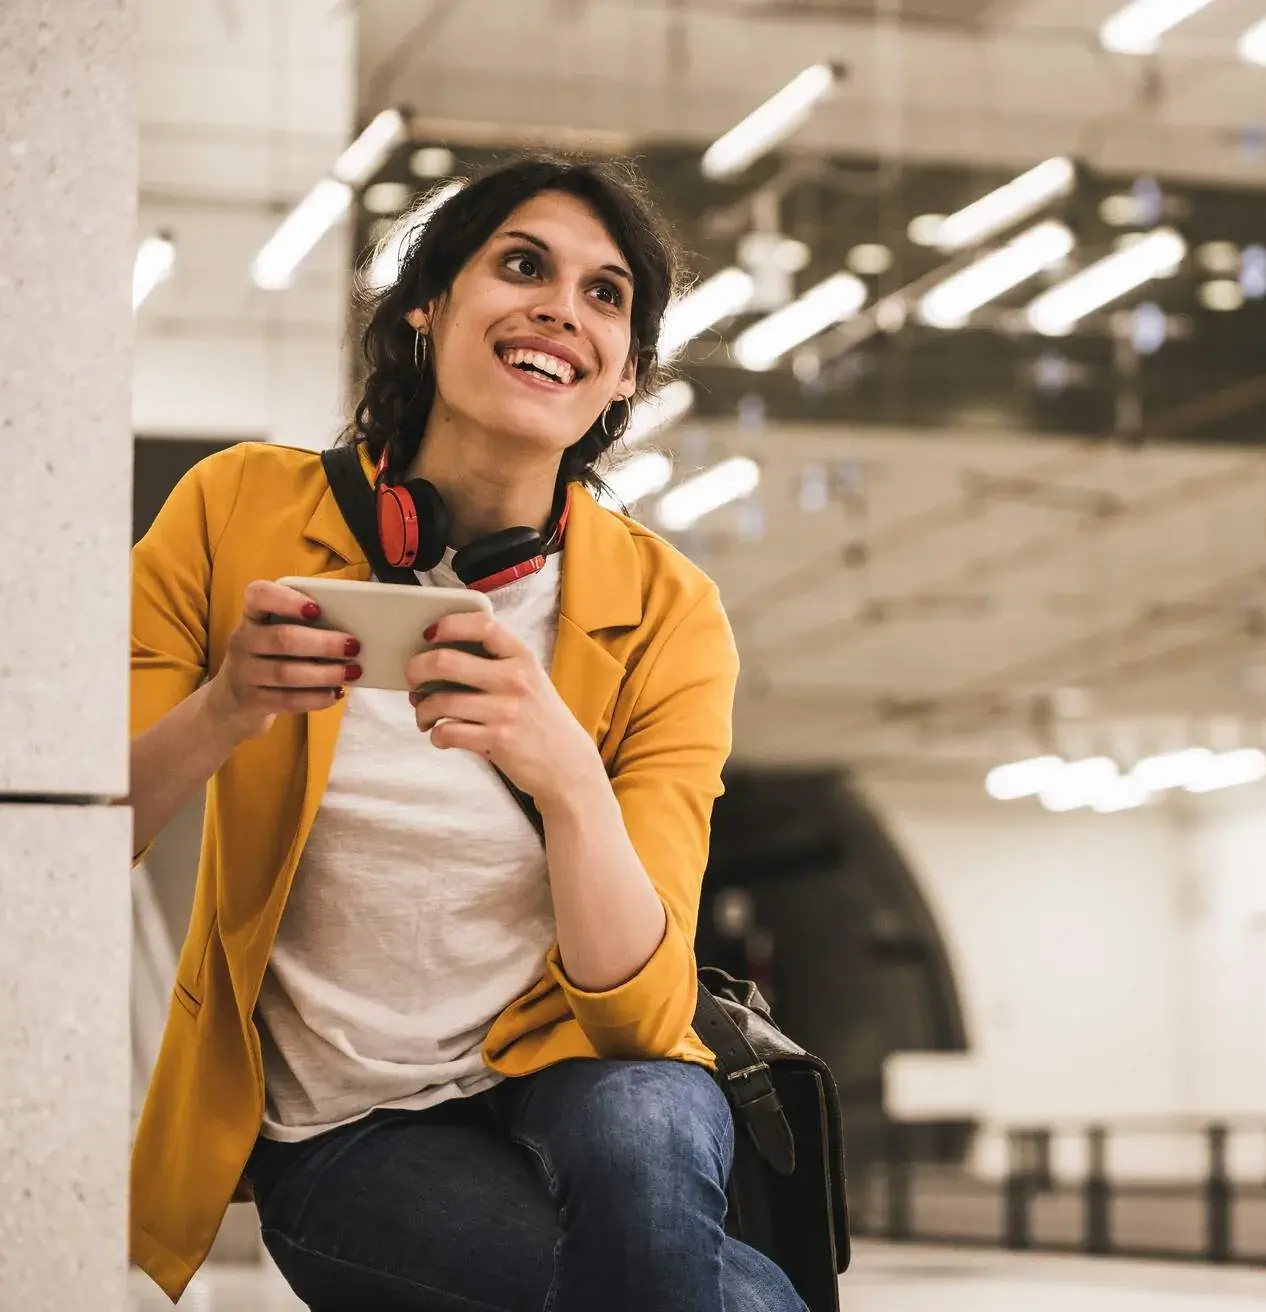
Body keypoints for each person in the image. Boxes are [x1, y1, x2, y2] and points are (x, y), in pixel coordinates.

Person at [127, 157, 804, 1311]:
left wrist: (568, 774)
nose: (562, 308)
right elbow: (69, 832)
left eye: (606, 295)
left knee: (651, 1119)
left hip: (572, 1066)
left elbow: (640, 1015)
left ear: (625, 375)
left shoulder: (666, 609)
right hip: (344, 1125)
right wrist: (227, 706)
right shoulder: (237, 510)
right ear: (425, 310)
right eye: (524, 265)